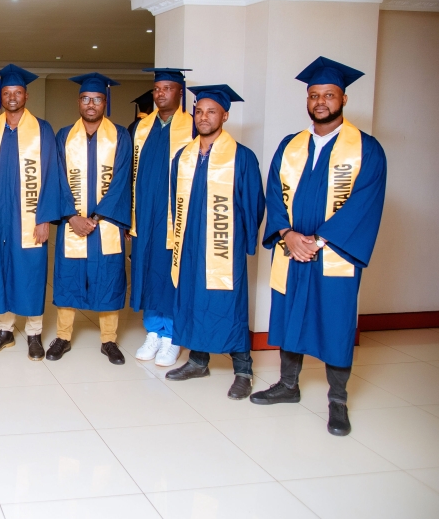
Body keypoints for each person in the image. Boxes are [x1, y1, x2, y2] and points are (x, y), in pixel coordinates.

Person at [252, 57, 387, 437]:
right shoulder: (290, 145)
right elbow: (274, 196)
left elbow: (365, 202)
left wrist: (319, 241)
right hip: (293, 249)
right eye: (314, 95)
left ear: (343, 98)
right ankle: (288, 385)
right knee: (289, 315)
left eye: (329, 95)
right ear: (307, 100)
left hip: (335, 254)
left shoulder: (367, 149)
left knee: (336, 321)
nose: (321, 101)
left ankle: (338, 400)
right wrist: (287, 235)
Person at [163, 85, 265, 399]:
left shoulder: (241, 157)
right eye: (199, 111)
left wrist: (243, 244)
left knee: (227, 304)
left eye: (211, 111)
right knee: (192, 299)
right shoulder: (184, 156)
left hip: (223, 245)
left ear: (225, 115)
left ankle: (243, 369)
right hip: (190, 244)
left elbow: (254, 203)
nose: (203, 117)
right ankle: (198, 360)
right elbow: (174, 200)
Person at [0, 64, 61, 360]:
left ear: (26, 95)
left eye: (18, 92)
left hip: (30, 218)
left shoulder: (42, 130)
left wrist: (45, 218)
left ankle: (34, 333)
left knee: (31, 272)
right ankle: (5, 330)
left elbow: (52, 176)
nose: (12, 97)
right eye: (7, 92)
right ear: (1, 96)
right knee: (0, 270)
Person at [46, 73, 132, 364]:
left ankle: (109, 340)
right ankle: (63, 337)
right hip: (73, 223)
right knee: (68, 278)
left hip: (106, 224)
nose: (91, 104)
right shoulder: (63, 137)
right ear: (78, 102)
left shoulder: (120, 135)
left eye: (97, 99)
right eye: (86, 99)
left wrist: (93, 217)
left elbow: (122, 180)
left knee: (108, 278)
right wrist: (71, 216)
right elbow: (55, 179)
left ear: (105, 102)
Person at [129, 67, 195, 367]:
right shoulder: (141, 128)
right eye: (157, 89)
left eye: (167, 88)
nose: (160, 93)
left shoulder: (193, 127)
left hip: (175, 217)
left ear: (180, 92)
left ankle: (173, 336)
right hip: (145, 214)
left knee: (172, 275)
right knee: (148, 272)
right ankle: (154, 331)